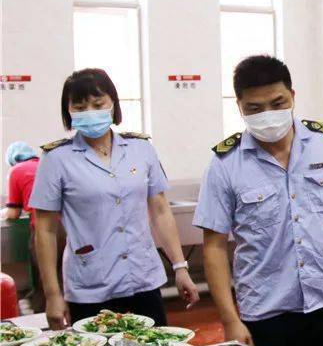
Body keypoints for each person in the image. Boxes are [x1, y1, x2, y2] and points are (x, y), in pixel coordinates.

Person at [194, 55, 323, 346]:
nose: (268, 114)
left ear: (293, 96)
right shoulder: (226, 163)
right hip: (268, 313)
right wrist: (230, 319)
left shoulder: (322, 143)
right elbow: (214, 247)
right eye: (255, 108)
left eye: (277, 103)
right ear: (240, 107)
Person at [30, 68, 199, 329]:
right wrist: (52, 294)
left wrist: (180, 266)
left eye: (98, 104)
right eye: (80, 107)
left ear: (113, 105)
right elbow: (45, 230)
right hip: (90, 285)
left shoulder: (141, 149)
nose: (90, 112)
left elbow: (160, 210)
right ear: (68, 111)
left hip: (143, 278)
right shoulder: (56, 159)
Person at [4, 142, 45, 309]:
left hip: (43, 229)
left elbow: (13, 213)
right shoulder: (46, 165)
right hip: (69, 229)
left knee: (43, 277)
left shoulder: (16, 171)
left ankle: (42, 311)